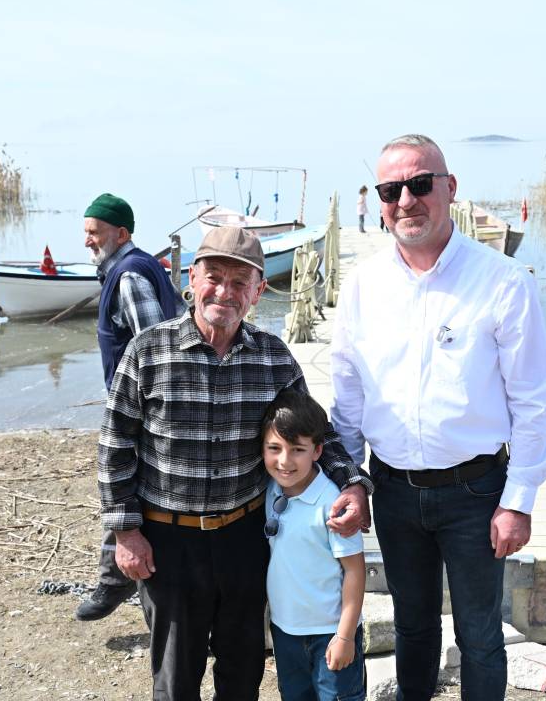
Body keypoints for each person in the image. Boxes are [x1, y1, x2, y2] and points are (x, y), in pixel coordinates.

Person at [98, 226, 373, 700]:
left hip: (245, 535)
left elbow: (317, 433)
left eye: (240, 282)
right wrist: (125, 532)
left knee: (243, 668)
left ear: (258, 292)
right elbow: (115, 446)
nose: (224, 291)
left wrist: (353, 486)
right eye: (214, 277)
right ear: (191, 277)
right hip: (168, 540)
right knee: (176, 676)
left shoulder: (273, 358)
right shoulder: (148, 352)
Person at [330, 134, 546, 700]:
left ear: (449, 189)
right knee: (412, 627)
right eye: (390, 189)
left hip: (476, 491)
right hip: (394, 491)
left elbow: (532, 398)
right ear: (380, 201)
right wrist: (349, 481)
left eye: (419, 184)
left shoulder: (502, 281)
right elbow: (348, 395)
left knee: (479, 633)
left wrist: (518, 500)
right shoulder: (363, 287)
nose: (406, 199)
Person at [75, 192, 185, 622]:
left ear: (121, 234)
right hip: (144, 406)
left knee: (128, 489)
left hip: (143, 409)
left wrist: (152, 415)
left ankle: (122, 583)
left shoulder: (129, 277)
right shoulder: (134, 269)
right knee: (132, 492)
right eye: (85, 232)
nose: (87, 241)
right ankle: (118, 581)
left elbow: (155, 350)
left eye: (94, 233)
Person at [261, 389, 366, 701]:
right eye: (274, 448)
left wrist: (345, 635)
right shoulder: (270, 490)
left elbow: (355, 572)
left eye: (297, 450)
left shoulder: (332, 503)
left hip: (330, 632)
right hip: (285, 630)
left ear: (318, 450)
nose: (284, 461)